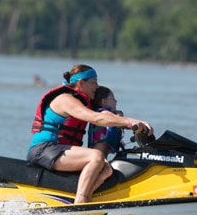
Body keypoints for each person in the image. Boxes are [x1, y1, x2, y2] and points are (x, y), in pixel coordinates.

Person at [27, 64, 153, 204]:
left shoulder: (83, 101)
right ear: (81, 83)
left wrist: (131, 123)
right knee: (96, 156)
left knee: (106, 168)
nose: (97, 87)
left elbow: (103, 114)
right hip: (44, 149)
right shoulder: (65, 100)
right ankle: (81, 203)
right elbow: (96, 118)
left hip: (59, 151)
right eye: (94, 82)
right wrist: (128, 122)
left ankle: (85, 202)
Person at [87, 86, 124, 156]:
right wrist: (119, 117)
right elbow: (112, 118)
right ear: (104, 101)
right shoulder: (102, 113)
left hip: (102, 149)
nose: (116, 101)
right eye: (113, 99)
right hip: (99, 148)